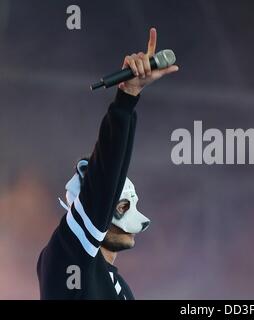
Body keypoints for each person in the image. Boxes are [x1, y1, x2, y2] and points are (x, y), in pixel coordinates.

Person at [37, 28, 179, 299]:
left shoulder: (120, 288)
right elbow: (103, 185)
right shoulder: (66, 255)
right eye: (122, 205)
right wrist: (126, 100)